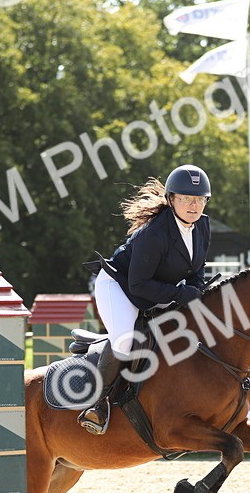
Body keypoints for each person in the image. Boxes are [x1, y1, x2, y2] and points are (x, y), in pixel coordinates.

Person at [79, 164, 213, 434]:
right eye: (186, 199)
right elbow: (138, 286)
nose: (194, 205)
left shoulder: (202, 226)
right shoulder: (154, 233)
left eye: (199, 199)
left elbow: (197, 268)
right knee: (126, 338)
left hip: (156, 288)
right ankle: (97, 404)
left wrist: (197, 289)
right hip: (119, 286)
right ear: (171, 199)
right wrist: (181, 294)